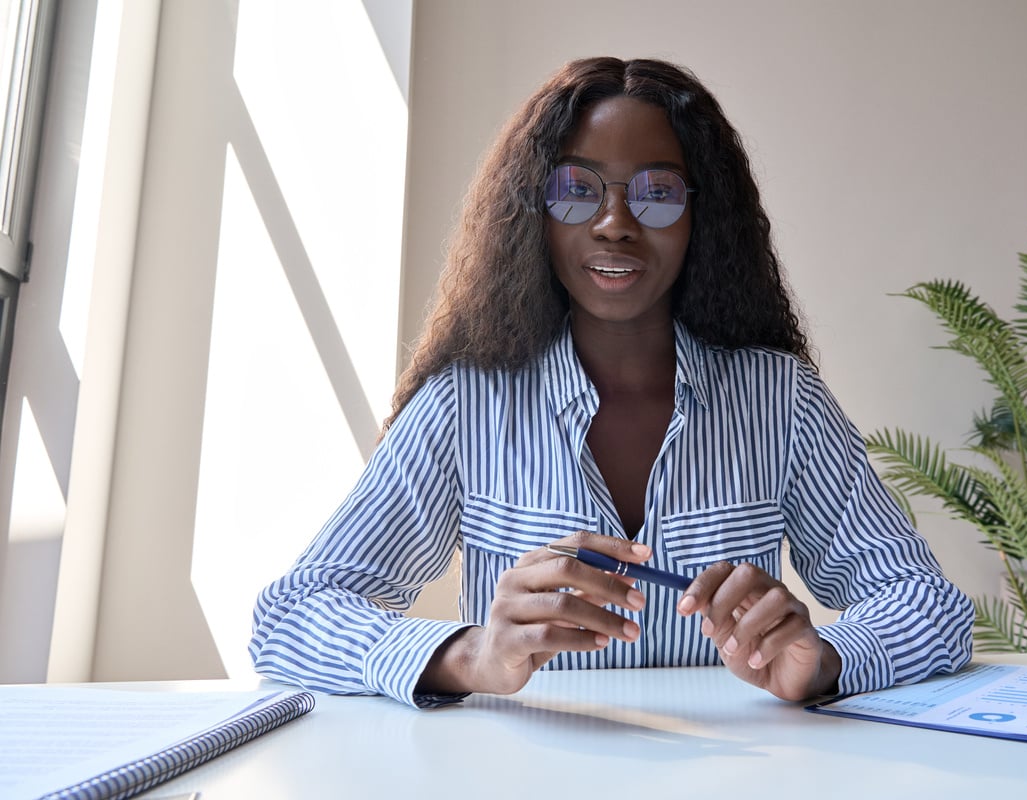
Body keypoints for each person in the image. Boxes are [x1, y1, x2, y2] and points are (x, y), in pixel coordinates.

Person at [249, 56, 973, 709]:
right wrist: (472, 655)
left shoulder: (781, 401)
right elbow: (291, 617)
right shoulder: (465, 404)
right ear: (534, 209)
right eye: (576, 189)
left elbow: (929, 605)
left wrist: (825, 660)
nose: (615, 222)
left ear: (701, 217)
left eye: (657, 193)